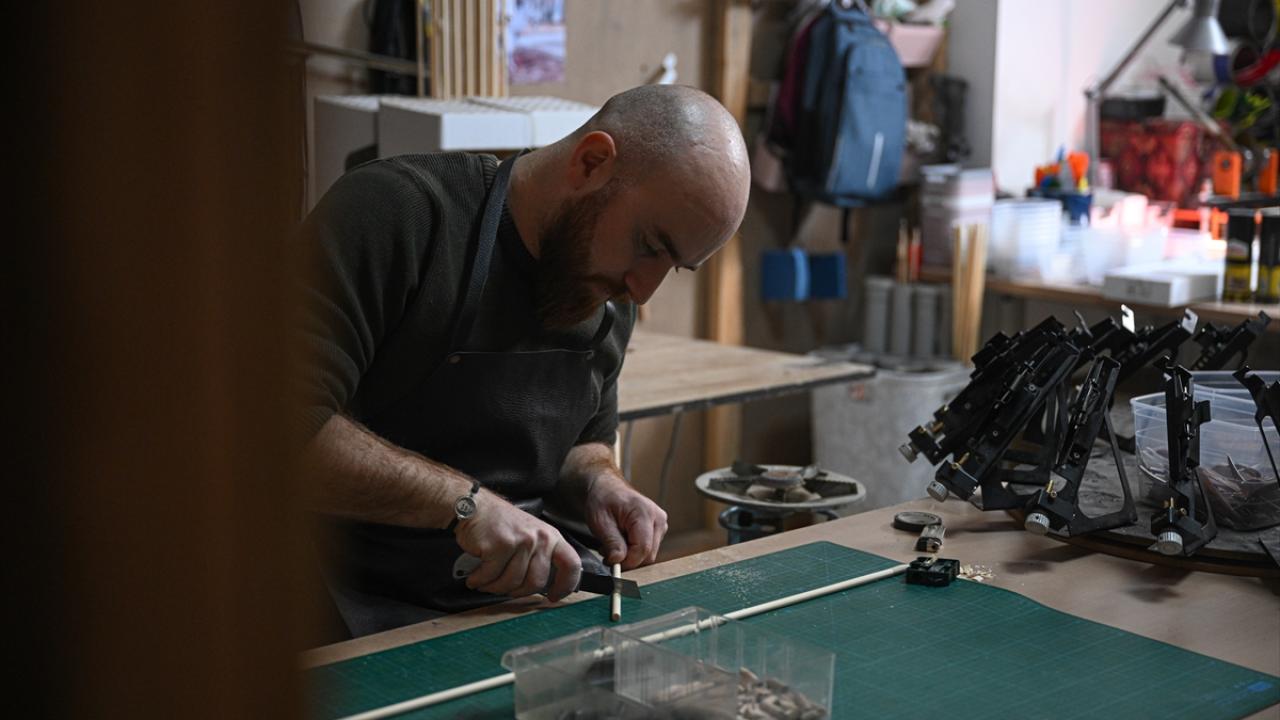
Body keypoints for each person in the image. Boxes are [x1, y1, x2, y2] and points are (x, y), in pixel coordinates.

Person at [296, 84, 751, 637]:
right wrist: (464, 505)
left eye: (674, 266)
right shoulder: (399, 214)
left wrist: (600, 483)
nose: (643, 289)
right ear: (591, 162)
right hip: (348, 604)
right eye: (651, 245)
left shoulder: (610, 291)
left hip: (518, 603)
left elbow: (582, 443)